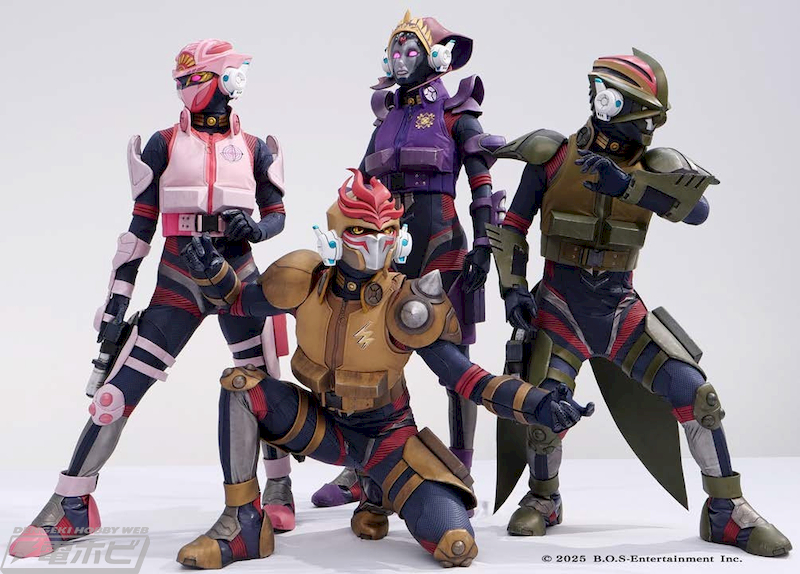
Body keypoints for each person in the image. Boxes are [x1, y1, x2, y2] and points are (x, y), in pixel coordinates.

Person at [175, 169, 593, 568]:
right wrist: (214, 274)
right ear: (335, 235)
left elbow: (466, 378)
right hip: (323, 428)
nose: (376, 242)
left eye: (387, 230)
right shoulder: (304, 281)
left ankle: (380, 491)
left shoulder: (408, 304)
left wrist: (539, 404)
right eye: (361, 230)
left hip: (387, 440)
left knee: (456, 544)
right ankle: (244, 525)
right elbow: (239, 302)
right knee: (241, 386)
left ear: (400, 238)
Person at [487, 48, 791, 557]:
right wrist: (513, 287)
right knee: (544, 403)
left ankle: (726, 511)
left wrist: (629, 186)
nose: (646, 129)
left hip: (620, 311)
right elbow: (513, 226)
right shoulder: (553, 155)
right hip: (559, 308)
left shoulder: (655, 166)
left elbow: (697, 212)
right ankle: (544, 498)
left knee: (696, 394)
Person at [10, 39, 292, 559]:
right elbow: (138, 230)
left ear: (228, 79)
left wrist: (256, 228)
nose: (187, 89)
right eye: (182, 81)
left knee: (264, 378)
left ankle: (277, 485)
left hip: (239, 277)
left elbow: (276, 214)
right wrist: (117, 298)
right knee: (116, 393)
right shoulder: (163, 144)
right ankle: (72, 504)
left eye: (197, 78)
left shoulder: (256, 147)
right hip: (178, 280)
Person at [312, 9, 507, 511]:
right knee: (366, 356)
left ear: (434, 56)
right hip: (384, 250)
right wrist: (341, 245)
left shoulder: (456, 114)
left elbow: (483, 186)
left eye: (410, 50)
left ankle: (460, 469)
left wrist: (485, 245)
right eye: (394, 51)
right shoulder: (386, 118)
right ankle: (362, 469)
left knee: (454, 362)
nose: (400, 59)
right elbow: (358, 186)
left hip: (442, 248)